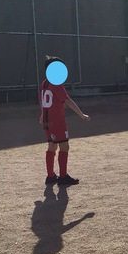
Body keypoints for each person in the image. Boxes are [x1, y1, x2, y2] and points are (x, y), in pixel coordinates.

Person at [39, 56, 90, 185]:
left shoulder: (44, 83)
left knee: (52, 146)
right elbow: (67, 100)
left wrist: (42, 114)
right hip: (57, 121)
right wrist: (81, 114)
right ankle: (63, 177)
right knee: (64, 146)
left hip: (47, 120)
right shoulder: (56, 84)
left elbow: (42, 100)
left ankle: (50, 176)